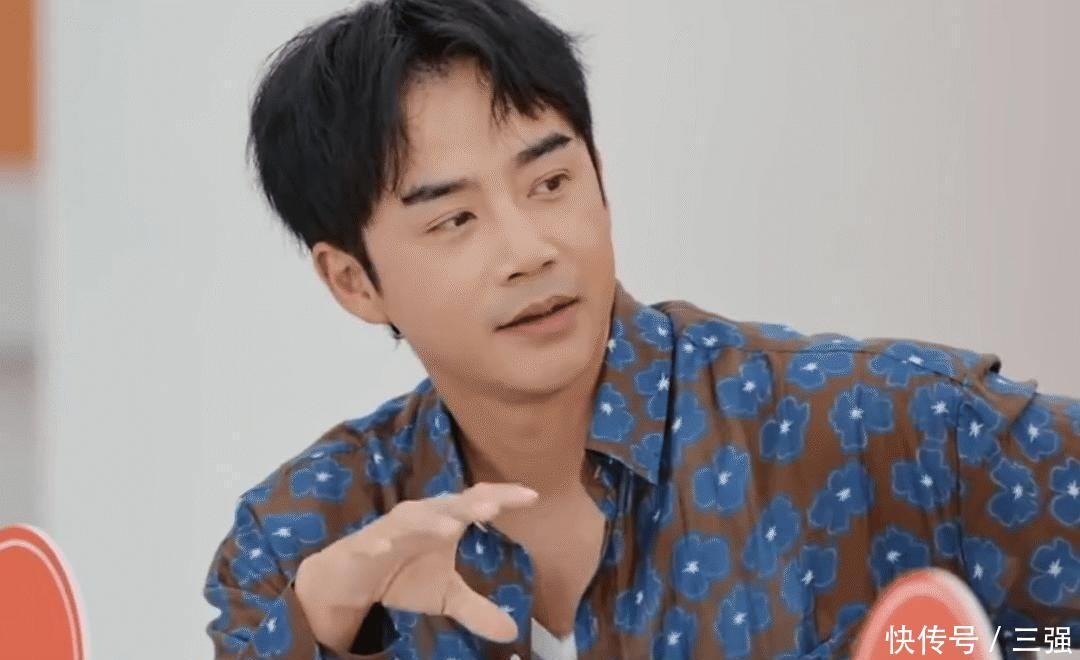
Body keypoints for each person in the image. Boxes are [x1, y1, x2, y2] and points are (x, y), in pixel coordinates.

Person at [201, 0, 1080, 658]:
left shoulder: (890, 428)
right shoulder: (298, 541)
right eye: (454, 220)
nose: (529, 250)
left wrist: (996, 650)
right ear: (354, 282)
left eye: (550, 184)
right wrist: (322, 626)